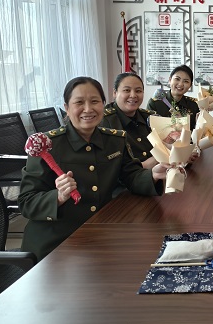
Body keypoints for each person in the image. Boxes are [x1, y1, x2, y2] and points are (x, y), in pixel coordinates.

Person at [18, 77, 170, 260]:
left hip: (101, 233)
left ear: (103, 105)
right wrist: (58, 197)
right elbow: (27, 202)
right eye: (79, 103)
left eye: (95, 101)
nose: (88, 109)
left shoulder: (115, 140)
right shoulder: (48, 146)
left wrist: (153, 175)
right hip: (57, 242)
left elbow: (131, 176)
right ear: (66, 108)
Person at [101, 72, 157, 169]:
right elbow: (108, 166)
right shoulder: (105, 121)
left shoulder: (149, 117)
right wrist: (143, 166)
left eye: (138, 91)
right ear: (115, 93)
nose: (133, 95)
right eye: (127, 90)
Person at [147, 65, 199, 130]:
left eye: (186, 81)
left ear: (190, 85)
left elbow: (197, 132)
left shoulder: (194, 105)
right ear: (170, 80)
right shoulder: (155, 103)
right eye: (177, 79)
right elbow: (149, 130)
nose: (180, 84)